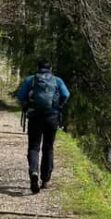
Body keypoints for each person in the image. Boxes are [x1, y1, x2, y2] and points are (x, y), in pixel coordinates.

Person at [16, 60, 70, 193]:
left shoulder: (31, 80)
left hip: (35, 117)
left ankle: (34, 171)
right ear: (50, 68)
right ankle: (45, 179)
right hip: (52, 117)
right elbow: (66, 94)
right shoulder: (57, 80)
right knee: (48, 147)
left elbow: (21, 96)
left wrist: (26, 105)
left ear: (38, 68)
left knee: (34, 147)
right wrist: (59, 106)